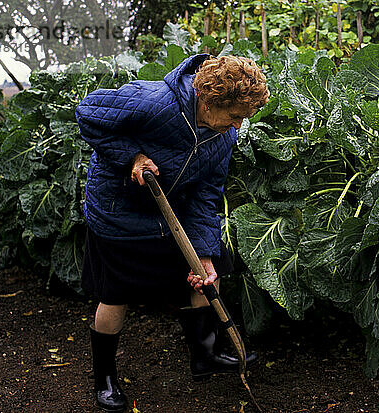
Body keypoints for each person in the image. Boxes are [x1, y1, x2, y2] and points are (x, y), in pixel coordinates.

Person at [75, 54, 269, 412]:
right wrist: (132, 157)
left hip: (170, 212)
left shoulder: (221, 138)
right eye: (235, 116)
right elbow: (88, 112)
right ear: (210, 102)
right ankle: (104, 377)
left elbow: (206, 196)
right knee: (115, 294)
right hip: (119, 212)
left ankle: (204, 354)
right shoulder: (155, 102)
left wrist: (204, 255)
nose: (239, 126)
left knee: (208, 274)